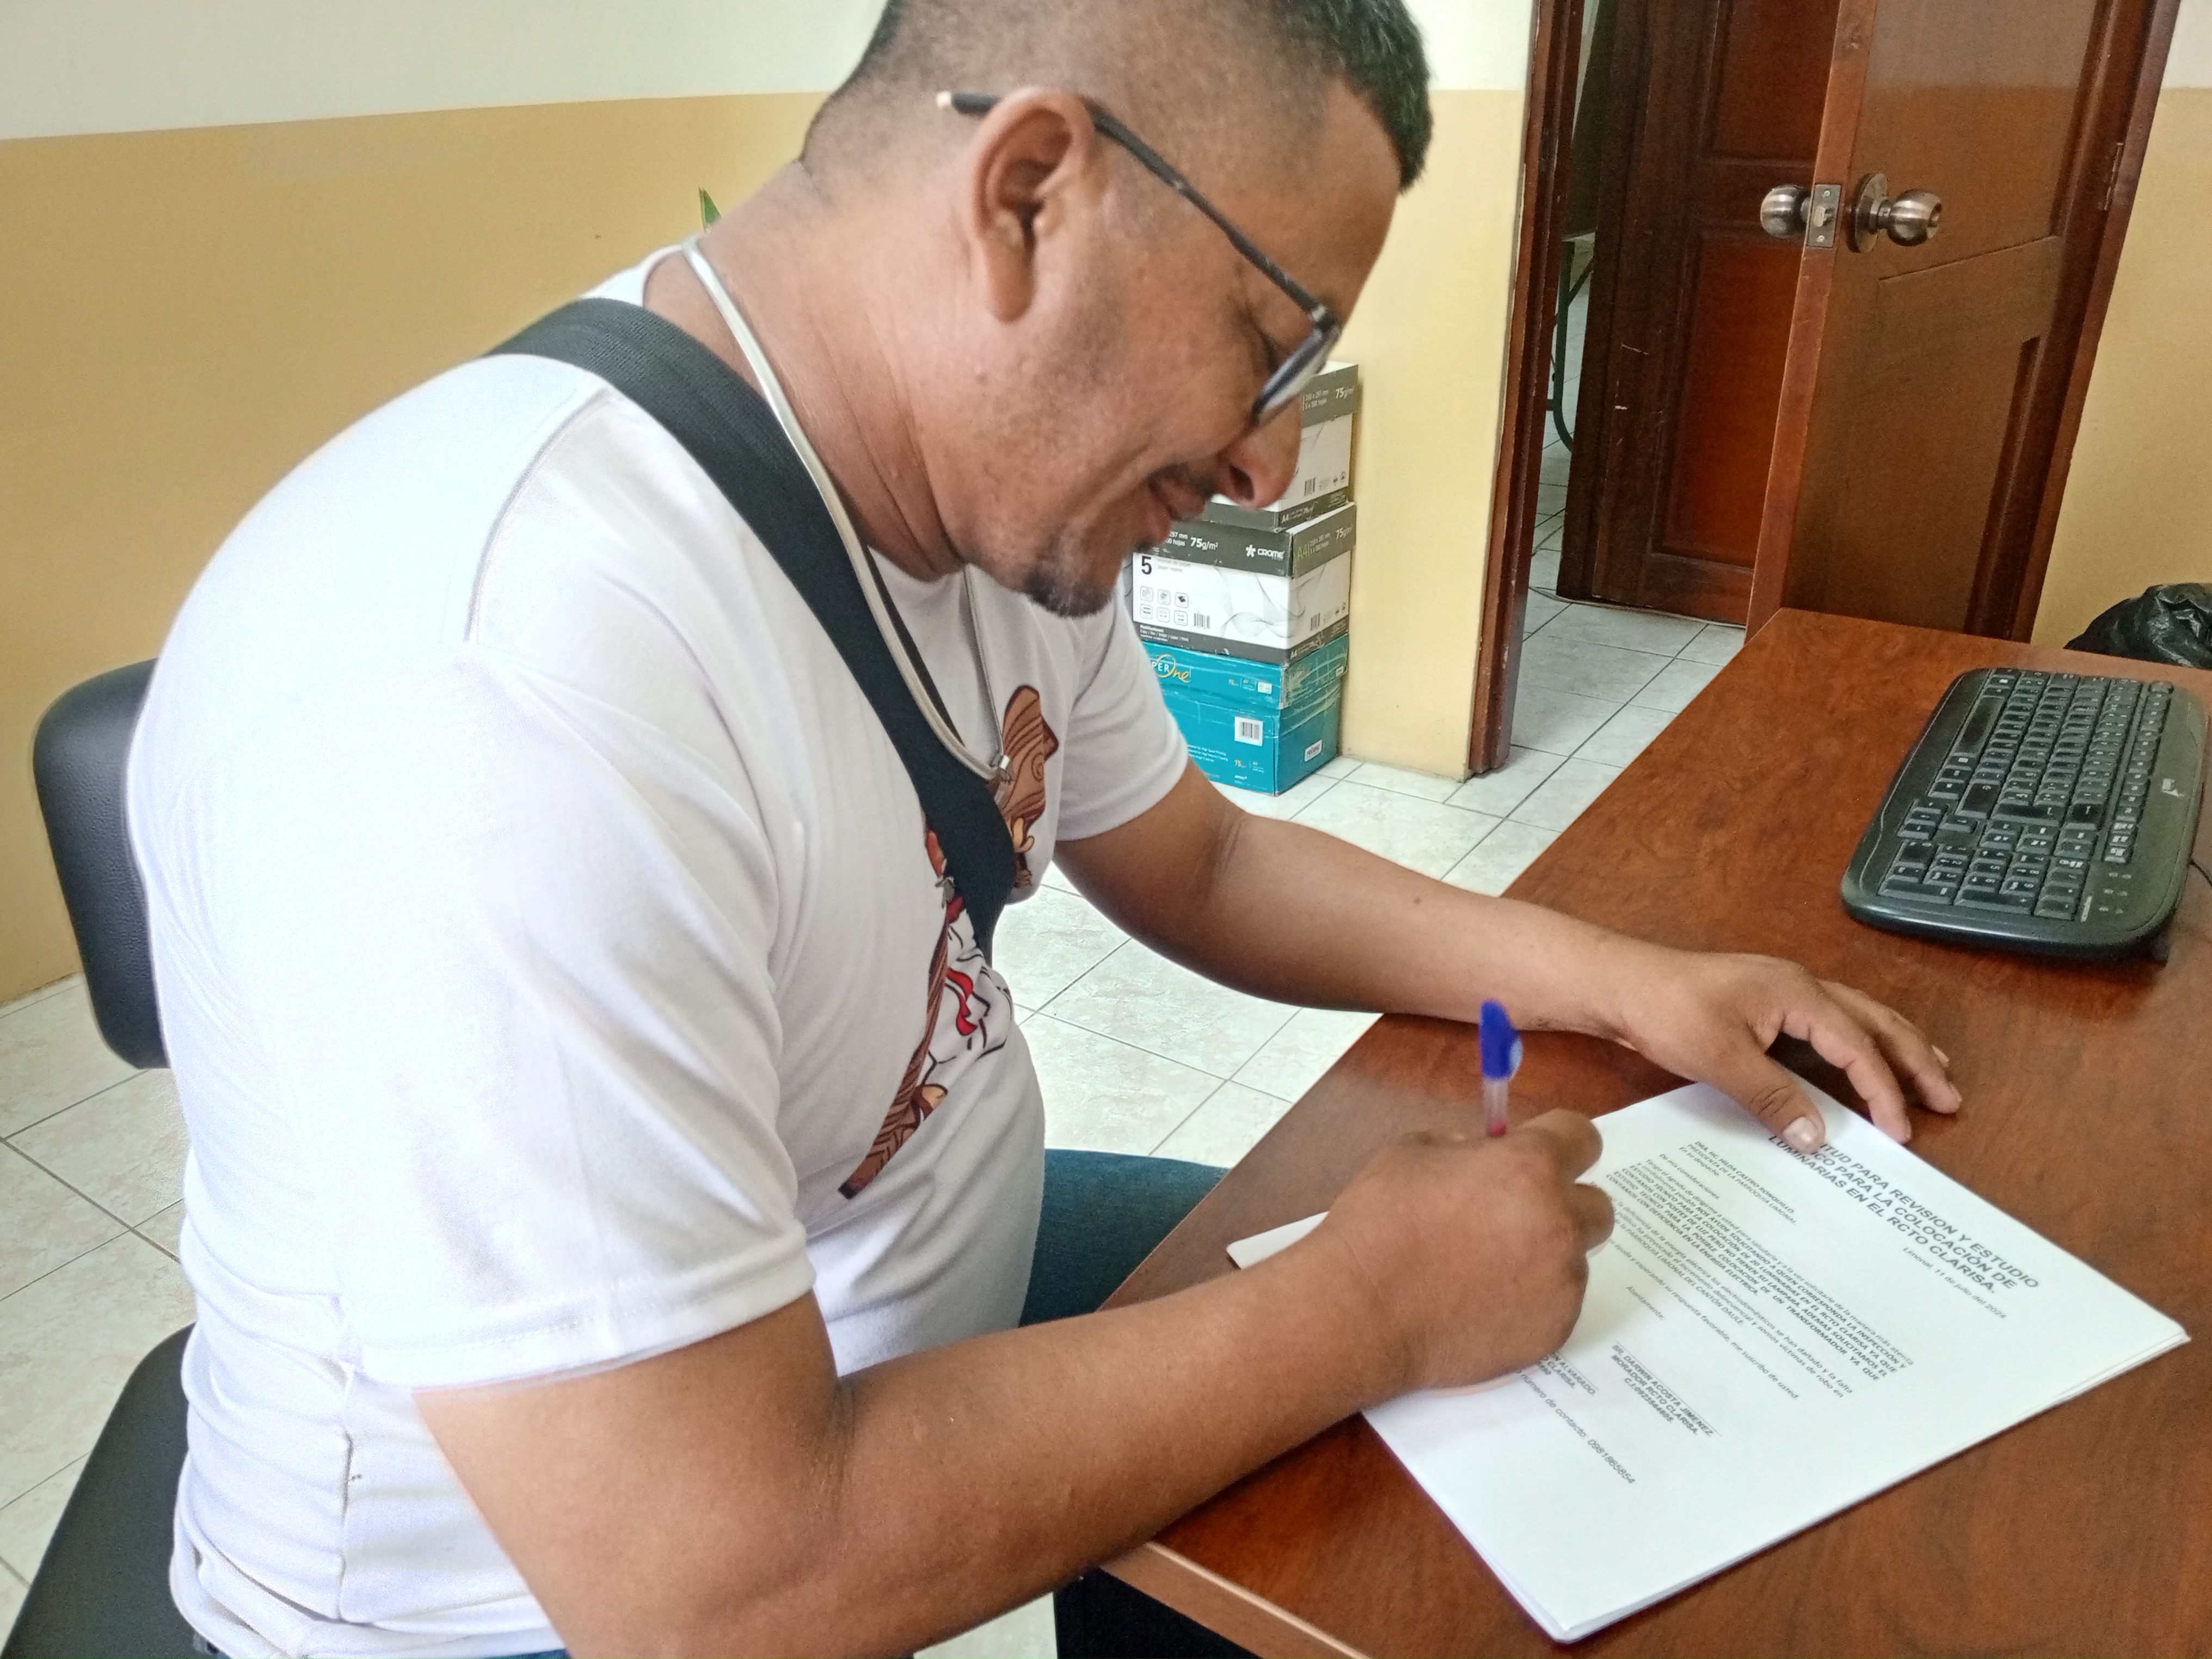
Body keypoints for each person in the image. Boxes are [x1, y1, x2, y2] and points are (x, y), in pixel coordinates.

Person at [127, 0, 1959, 1654]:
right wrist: (1368, 1314)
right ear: (1027, 195)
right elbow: (718, 1587)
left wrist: (1626, 983)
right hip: (534, 1605)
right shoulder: (497, 694)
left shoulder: (983, 500)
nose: (1267, 459)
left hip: (903, 1288)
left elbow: (1206, 860)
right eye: (1267, 348)